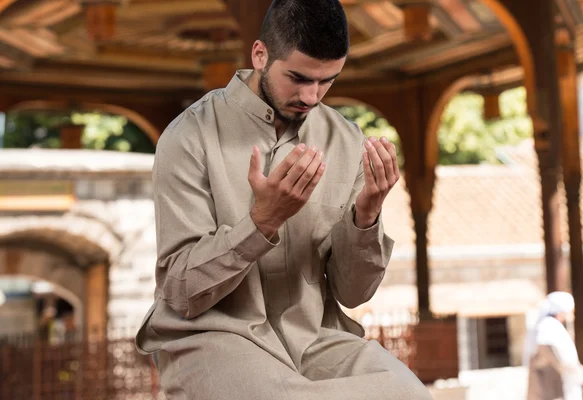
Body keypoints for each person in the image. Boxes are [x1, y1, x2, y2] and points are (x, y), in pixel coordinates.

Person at [135, 1, 432, 399]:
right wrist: (261, 223)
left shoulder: (346, 141)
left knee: (411, 395)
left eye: (327, 81)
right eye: (298, 77)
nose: (311, 96)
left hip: (312, 339)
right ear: (260, 55)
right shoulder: (188, 138)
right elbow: (180, 293)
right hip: (212, 336)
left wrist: (367, 216)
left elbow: (353, 294)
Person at [523, 291, 583, 400]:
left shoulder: (552, 326)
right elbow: (558, 356)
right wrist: (580, 374)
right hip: (550, 390)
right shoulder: (548, 326)